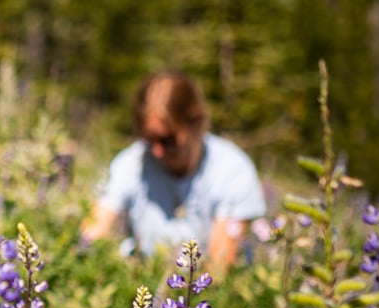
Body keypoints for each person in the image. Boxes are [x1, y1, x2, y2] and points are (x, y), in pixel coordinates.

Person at [80, 71, 266, 270]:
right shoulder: (132, 163)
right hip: (144, 282)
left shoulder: (233, 170)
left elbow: (219, 268)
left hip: (203, 293)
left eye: (168, 140)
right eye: (148, 140)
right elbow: (95, 229)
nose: (157, 151)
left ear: (195, 122)